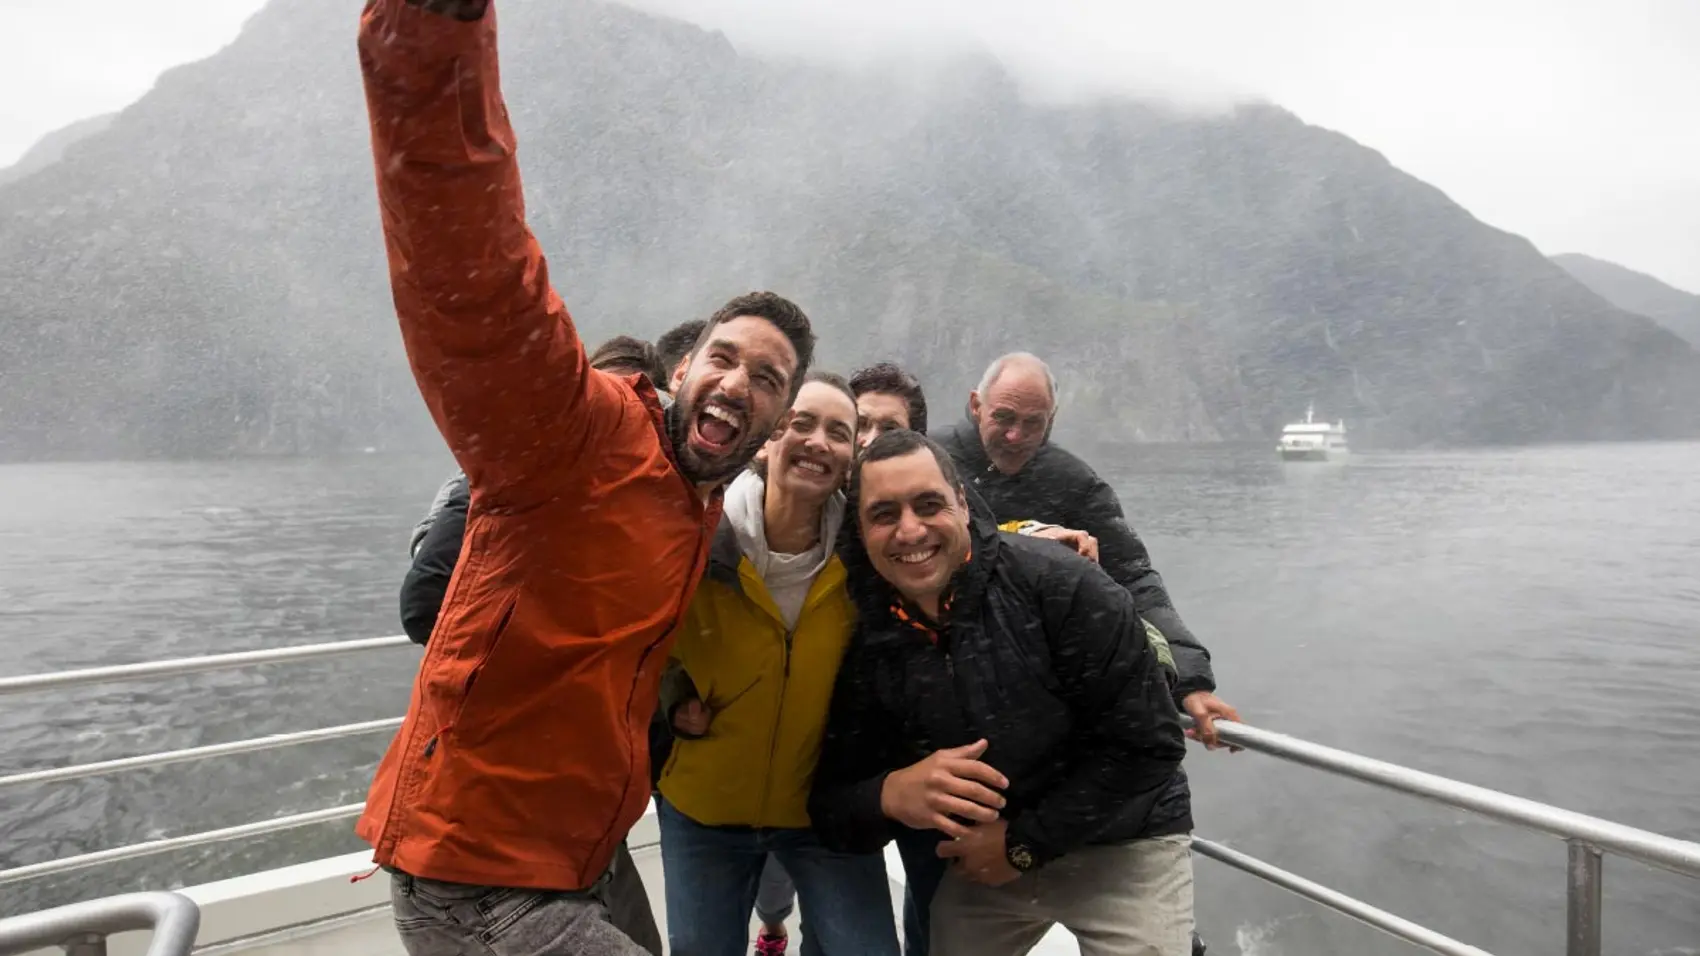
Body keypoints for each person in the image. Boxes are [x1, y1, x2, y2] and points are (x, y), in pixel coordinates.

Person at [356, 3, 815, 953]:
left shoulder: (697, 506)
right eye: (725, 357)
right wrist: (435, 33)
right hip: (477, 870)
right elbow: (474, 280)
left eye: (767, 380)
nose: (738, 382)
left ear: (774, 424)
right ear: (682, 368)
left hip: (581, 855)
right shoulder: (573, 437)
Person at [811, 430, 1193, 955]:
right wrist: (890, 793)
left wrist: (1023, 843)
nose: (910, 530)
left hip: (1124, 839)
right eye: (883, 515)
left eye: (929, 505)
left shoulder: (1063, 586)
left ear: (964, 505)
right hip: (991, 857)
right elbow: (831, 803)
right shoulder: (876, 641)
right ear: (860, 531)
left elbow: (1151, 744)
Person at [656, 373, 899, 956]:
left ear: (850, 461)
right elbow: (644, 639)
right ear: (768, 438)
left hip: (822, 807)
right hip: (704, 808)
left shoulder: (868, 557)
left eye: (839, 432)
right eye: (802, 423)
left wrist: (1044, 539)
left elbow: (950, 542)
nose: (818, 441)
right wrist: (671, 703)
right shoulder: (699, 535)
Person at [400, 334, 674, 645]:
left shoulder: (662, 502)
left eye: (634, 413)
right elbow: (424, 604)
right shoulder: (511, 474)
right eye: (603, 405)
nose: (614, 424)